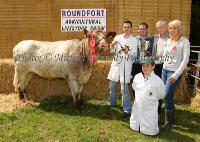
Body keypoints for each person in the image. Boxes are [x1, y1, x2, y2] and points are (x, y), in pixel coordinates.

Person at [162, 20, 190, 130]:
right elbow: (166, 56)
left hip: (174, 73)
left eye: (174, 28)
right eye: (170, 28)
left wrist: (176, 75)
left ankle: (168, 122)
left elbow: (185, 60)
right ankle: (171, 116)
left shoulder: (184, 41)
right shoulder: (169, 41)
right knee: (167, 95)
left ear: (179, 29)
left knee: (166, 95)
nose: (172, 30)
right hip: (164, 71)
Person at [107, 20, 138, 118]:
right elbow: (112, 51)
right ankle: (112, 102)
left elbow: (134, 56)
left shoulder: (134, 40)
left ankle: (127, 109)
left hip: (126, 64)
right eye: (125, 27)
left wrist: (127, 51)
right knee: (112, 85)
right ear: (123, 28)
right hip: (116, 64)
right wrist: (112, 45)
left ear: (131, 29)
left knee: (124, 88)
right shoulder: (118, 37)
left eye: (128, 27)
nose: (126, 29)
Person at [130, 57, 165, 136]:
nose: (145, 68)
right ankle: (136, 125)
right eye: (143, 66)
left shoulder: (157, 80)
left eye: (147, 66)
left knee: (149, 125)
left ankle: (148, 129)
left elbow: (161, 94)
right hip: (137, 108)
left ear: (153, 67)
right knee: (135, 120)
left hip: (150, 111)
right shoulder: (137, 77)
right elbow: (134, 87)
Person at [152, 20, 169, 112]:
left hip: (168, 65)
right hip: (157, 65)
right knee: (157, 85)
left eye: (161, 27)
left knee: (166, 87)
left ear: (166, 27)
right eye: (158, 27)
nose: (159, 29)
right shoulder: (155, 37)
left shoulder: (171, 38)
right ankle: (157, 106)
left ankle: (168, 107)